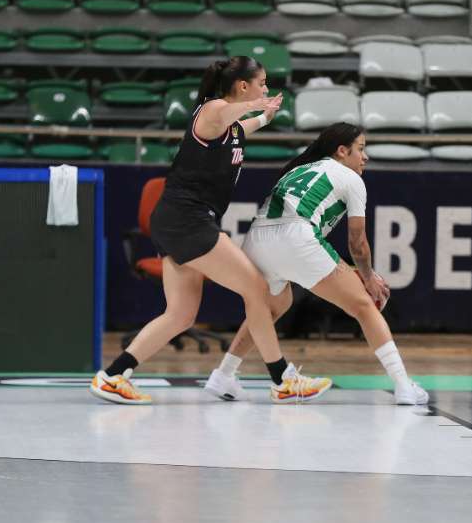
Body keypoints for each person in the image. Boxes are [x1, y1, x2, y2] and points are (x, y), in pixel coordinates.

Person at [89, 56, 331, 405]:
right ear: (243, 85)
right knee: (257, 289)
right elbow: (227, 113)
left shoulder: (231, 127)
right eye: (261, 82)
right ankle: (282, 379)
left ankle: (113, 375)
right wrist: (254, 104)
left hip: (176, 221)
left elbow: (243, 127)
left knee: (180, 315)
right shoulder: (213, 110)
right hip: (189, 220)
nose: (266, 87)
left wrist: (265, 115)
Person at [202, 123, 429, 405]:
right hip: (296, 237)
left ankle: (224, 374)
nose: (365, 157)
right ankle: (403, 385)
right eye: (361, 149)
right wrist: (368, 278)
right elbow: (357, 242)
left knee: (272, 307)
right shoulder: (351, 178)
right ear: (342, 151)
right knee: (363, 305)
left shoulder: (298, 169)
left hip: (256, 239)